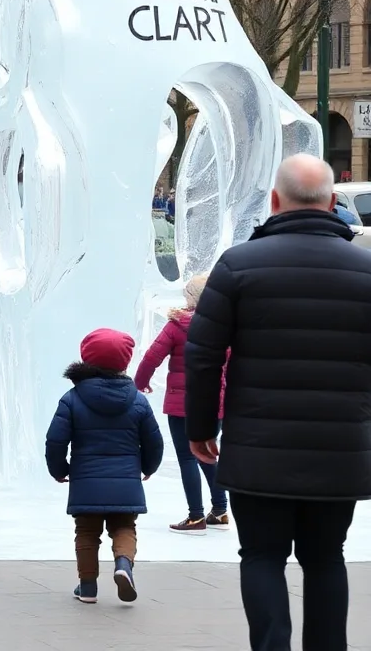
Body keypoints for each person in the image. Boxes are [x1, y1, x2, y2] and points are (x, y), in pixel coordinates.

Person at [185, 153, 371, 651]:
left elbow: (202, 354)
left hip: (258, 444)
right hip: (340, 445)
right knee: (327, 556)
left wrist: (201, 427)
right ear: (333, 203)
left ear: (274, 201)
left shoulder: (239, 264)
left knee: (262, 556)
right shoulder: (366, 269)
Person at [45, 328, 164, 605]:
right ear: (125, 362)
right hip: (126, 482)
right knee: (124, 527)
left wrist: (59, 470)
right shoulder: (137, 400)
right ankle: (123, 565)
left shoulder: (72, 399)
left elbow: (55, 440)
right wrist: (148, 467)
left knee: (86, 532)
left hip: (86, 481)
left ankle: (87, 587)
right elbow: (154, 442)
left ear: (86, 359)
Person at [134, 274, 228, 535]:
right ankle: (220, 511)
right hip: (213, 403)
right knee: (208, 452)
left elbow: (151, 357)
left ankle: (196, 516)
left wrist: (139, 384)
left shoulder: (177, 325)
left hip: (182, 404)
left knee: (187, 457)